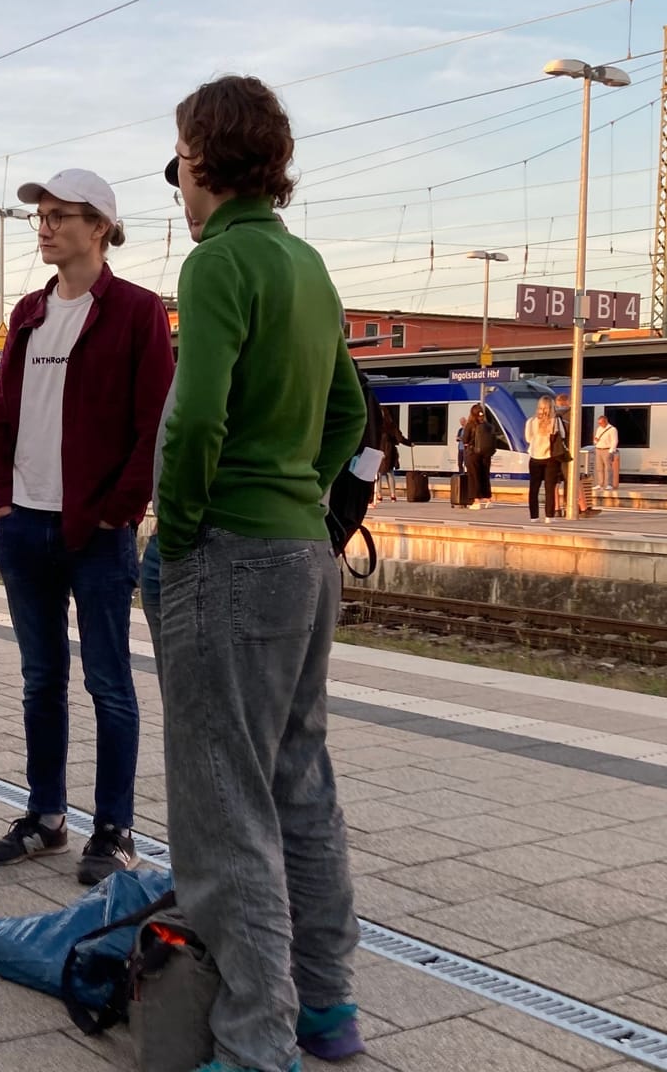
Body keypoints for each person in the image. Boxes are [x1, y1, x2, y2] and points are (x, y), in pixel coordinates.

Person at [160, 75, 368, 1071]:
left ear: (203, 157)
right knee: (299, 781)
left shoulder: (216, 265)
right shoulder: (307, 264)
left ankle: (254, 1039)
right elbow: (351, 418)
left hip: (231, 552)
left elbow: (195, 418)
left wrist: (184, 524)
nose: (177, 184)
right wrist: (306, 498)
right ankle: (328, 1011)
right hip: (303, 552)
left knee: (222, 797)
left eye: (177, 163)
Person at [0, 169, 172, 886]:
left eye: (61, 215)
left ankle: (114, 830)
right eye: (42, 216)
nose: (46, 226)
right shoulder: (27, 312)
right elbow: (2, 418)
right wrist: (0, 497)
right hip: (24, 524)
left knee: (109, 682)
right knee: (39, 679)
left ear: (100, 228)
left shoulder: (138, 312)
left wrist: (119, 509)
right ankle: (46, 816)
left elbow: (155, 425)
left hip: (96, 532)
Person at [525, 396, 564, 524]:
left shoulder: (531, 422)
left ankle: (534, 516)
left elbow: (528, 439)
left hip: (535, 458)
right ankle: (549, 516)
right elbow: (562, 436)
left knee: (534, 488)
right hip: (550, 458)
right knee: (549, 488)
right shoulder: (556, 421)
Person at [468, 403, 495, 509]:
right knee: (485, 476)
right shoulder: (489, 426)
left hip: (474, 454)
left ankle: (476, 501)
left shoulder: (471, 425)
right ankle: (488, 500)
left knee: (474, 477)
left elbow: (465, 439)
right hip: (486, 454)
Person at [595, 413, 620, 491]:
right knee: (599, 468)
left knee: (608, 468)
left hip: (607, 449)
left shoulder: (612, 429)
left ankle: (609, 484)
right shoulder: (599, 429)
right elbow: (596, 438)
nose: (600, 424)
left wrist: (611, 451)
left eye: (601, 423)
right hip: (599, 449)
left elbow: (614, 440)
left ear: (605, 421)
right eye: (599, 423)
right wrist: (595, 441)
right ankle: (600, 484)